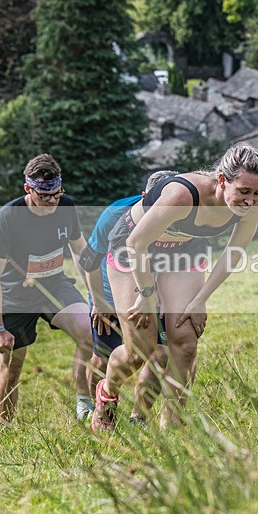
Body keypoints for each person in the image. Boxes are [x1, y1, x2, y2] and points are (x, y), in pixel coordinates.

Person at [91, 145, 258, 431]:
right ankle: (107, 393)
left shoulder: (254, 205)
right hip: (134, 246)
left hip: (183, 250)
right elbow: (136, 244)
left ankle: (172, 428)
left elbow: (233, 254)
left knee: (185, 340)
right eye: (244, 191)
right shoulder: (182, 196)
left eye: (257, 192)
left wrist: (200, 299)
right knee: (140, 349)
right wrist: (147, 295)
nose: (250, 200)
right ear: (222, 180)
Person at [0, 153, 94, 424]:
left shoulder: (66, 206)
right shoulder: (7, 217)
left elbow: (80, 251)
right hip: (17, 296)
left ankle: (84, 405)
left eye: (57, 194)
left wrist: (96, 297)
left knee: (90, 333)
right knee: (11, 367)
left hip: (55, 286)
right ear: (28, 189)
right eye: (45, 196)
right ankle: (4, 426)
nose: (53, 201)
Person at [79, 170, 176, 424]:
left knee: (161, 354)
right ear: (144, 197)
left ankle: (138, 418)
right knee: (104, 357)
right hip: (109, 291)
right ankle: (96, 408)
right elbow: (89, 260)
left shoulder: (181, 213)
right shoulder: (115, 214)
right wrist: (98, 301)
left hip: (152, 290)